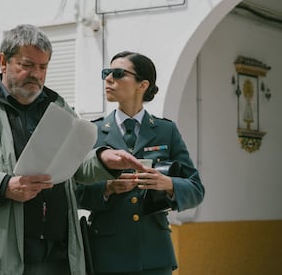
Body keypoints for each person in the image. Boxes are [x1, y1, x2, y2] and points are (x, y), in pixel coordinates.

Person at [0, 25, 145, 275]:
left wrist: (104, 160)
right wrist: (4, 186)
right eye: (27, 65)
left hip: (58, 254)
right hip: (0, 254)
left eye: (43, 67)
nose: (36, 74)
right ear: (3, 61)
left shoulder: (57, 106)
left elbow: (74, 166)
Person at [76, 51, 205, 275]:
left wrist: (168, 184)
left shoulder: (166, 130)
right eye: (106, 73)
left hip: (154, 254)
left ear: (142, 85)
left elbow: (196, 189)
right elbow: (74, 191)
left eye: (118, 73)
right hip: (106, 255)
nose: (108, 79)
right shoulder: (92, 131)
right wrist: (107, 189)